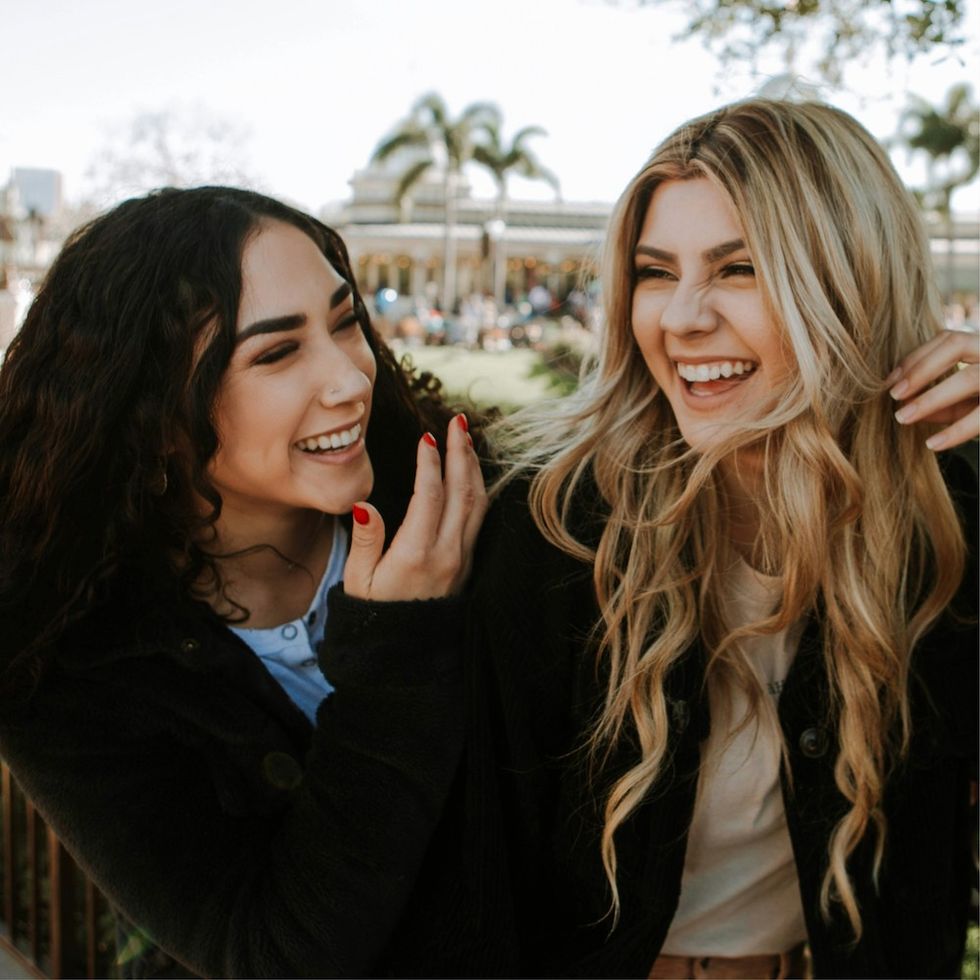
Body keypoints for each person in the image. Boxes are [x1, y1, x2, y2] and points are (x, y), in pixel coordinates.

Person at [474, 99, 978, 978]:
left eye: (739, 269)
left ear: (849, 279)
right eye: (656, 272)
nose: (681, 318)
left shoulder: (948, 509)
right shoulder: (555, 526)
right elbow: (480, 863)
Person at [0, 186, 487, 978]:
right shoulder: (63, 667)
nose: (349, 380)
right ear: (153, 412)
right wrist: (399, 651)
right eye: (275, 352)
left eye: (343, 321)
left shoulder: (464, 508)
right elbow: (269, 956)